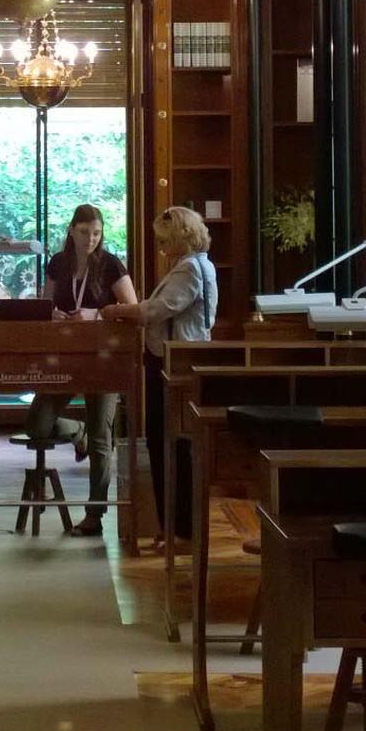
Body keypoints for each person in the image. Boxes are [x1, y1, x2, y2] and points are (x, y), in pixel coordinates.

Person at [102, 205, 218, 542]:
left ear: (182, 236)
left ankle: (179, 529)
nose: (160, 246)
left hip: (175, 362)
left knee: (171, 444)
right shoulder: (195, 265)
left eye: (164, 239)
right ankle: (173, 527)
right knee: (164, 442)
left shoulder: (190, 270)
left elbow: (157, 310)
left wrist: (117, 310)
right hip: (172, 357)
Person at [24, 204, 137, 537]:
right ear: (72, 230)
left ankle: (94, 515)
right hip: (65, 357)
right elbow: (45, 306)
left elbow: (132, 311)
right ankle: (78, 433)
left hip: (104, 359)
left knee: (103, 441)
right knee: (37, 423)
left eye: (97, 233)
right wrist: (53, 315)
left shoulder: (111, 264)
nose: (91, 239)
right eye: (85, 232)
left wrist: (95, 316)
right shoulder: (58, 263)